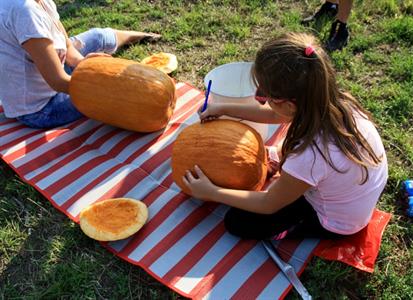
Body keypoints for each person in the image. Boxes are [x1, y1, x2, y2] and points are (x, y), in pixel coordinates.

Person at [183, 32, 388, 241]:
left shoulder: (310, 155)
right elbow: (276, 114)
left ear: (290, 105)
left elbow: (269, 203)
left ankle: (292, 230)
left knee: (237, 222)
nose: (259, 98)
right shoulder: (330, 103)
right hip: (356, 196)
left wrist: (212, 192)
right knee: (287, 161)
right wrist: (223, 108)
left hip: (338, 223)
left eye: (264, 96)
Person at [0, 0, 161, 129]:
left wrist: (81, 62)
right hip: (41, 109)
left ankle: (139, 35)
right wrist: (112, 87)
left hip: (53, 70)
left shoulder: (41, 2)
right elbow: (58, 81)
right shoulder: (24, 11)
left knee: (98, 36)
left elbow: (67, 46)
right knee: (115, 98)